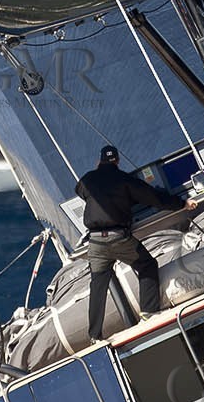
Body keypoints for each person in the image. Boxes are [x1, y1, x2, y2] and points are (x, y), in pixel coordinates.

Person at [75, 144, 195, 338]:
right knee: (147, 265)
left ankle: (94, 336)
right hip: (118, 239)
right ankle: (149, 312)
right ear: (117, 161)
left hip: (96, 242)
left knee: (98, 285)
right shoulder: (125, 179)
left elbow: (80, 190)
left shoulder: (88, 179)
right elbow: (154, 198)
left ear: (99, 161)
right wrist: (182, 203)